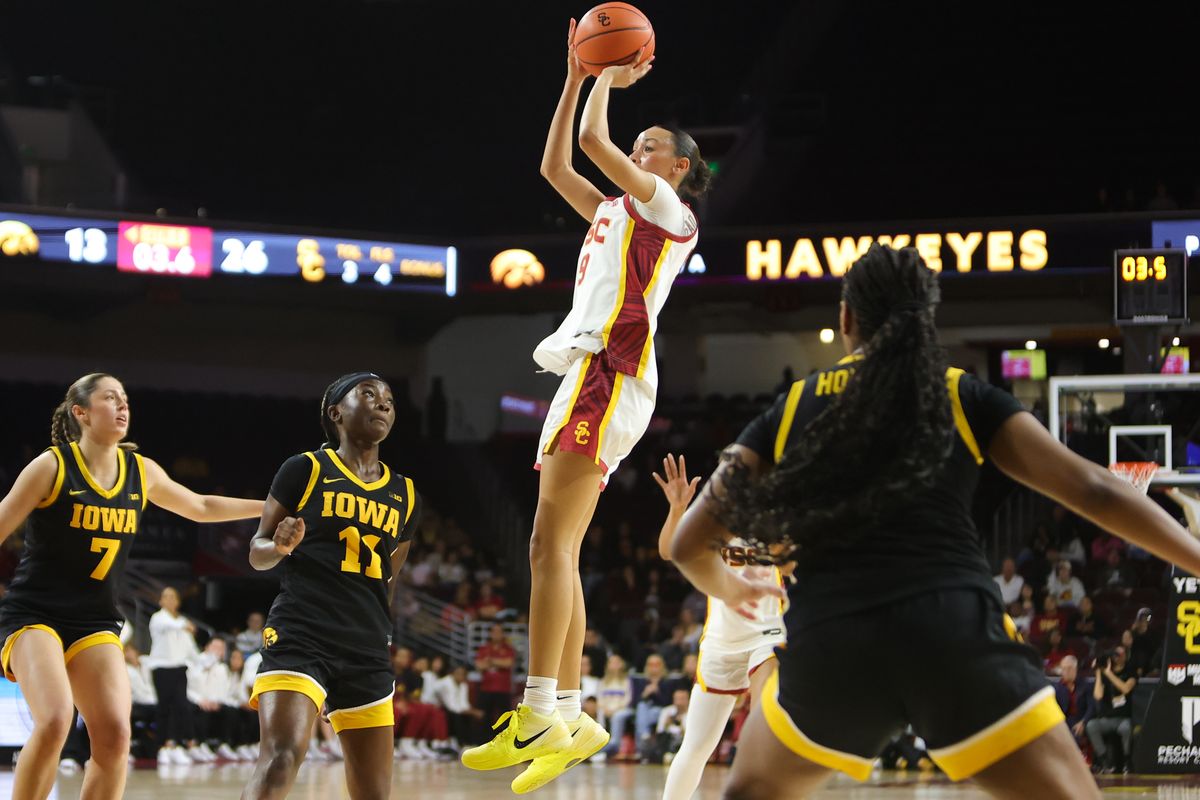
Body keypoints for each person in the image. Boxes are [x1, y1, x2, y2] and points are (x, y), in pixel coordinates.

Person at [668, 244, 1200, 798]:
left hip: (834, 645)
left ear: (846, 318)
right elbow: (1095, 490)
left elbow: (687, 547)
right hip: (952, 633)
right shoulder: (959, 393)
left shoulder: (791, 407)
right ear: (926, 320)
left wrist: (731, 587)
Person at [462, 17, 708, 796]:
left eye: (653, 145)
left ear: (681, 166)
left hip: (612, 371)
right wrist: (575, 73)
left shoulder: (668, 209)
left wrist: (610, 74)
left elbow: (598, 146)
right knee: (552, 548)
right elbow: (554, 163)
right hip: (587, 375)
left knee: (547, 546)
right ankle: (570, 713)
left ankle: (542, 708)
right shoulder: (615, 210)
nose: (639, 150)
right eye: (641, 146)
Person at [0, 373, 262, 799]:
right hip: (34, 614)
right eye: (110, 398)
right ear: (80, 412)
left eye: (124, 399)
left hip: (95, 621)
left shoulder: (141, 471)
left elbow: (199, 506)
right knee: (53, 721)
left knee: (116, 735)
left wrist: (270, 507)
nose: (122, 406)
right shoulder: (52, 465)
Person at [241, 373, 422, 800]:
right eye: (369, 394)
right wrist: (280, 546)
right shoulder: (305, 468)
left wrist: (381, 636)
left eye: (389, 400)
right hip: (303, 633)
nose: (383, 404)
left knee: (374, 794)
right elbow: (256, 550)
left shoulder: (406, 494)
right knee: (282, 756)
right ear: (335, 412)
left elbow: (389, 579)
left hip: (367, 648)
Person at [655, 454, 785, 800]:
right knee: (695, 748)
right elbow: (669, 551)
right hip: (721, 641)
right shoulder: (715, 518)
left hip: (768, 634)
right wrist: (677, 508)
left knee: (763, 733)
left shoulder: (783, 517)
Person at [148, 586, 206, 764]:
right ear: (161, 601)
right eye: (166, 596)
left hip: (179, 669)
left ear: (178, 602)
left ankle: (180, 743)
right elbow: (170, 625)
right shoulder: (158, 618)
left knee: (182, 706)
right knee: (164, 707)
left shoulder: (182, 622)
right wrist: (184, 625)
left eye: (173, 596)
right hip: (162, 668)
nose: (170, 600)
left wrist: (206, 660)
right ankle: (162, 746)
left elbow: (191, 650)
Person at [1085, 646, 1136, 773]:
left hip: (1123, 718)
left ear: (1125, 656)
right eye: (1114, 655)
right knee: (1091, 725)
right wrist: (1098, 672)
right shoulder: (1104, 674)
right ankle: (1105, 762)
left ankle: (1127, 762)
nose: (1116, 658)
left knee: (1126, 728)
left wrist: (1109, 673)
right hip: (1106, 719)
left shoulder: (1130, 671)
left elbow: (1125, 689)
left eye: (1119, 655)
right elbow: (1098, 695)